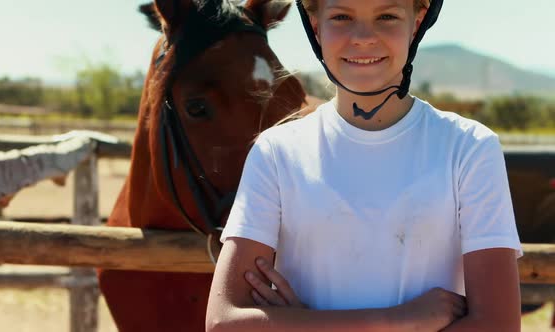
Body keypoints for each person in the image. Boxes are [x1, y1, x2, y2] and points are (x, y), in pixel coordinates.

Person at [206, 0, 523, 331]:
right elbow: (223, 321)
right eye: (342, 16)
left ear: (416, 22)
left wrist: (303, 323)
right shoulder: (275, 154)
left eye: (386, 16)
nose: (363, 37)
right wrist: (399, 320)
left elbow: (498, 325)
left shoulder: (469, 148)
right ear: (316, 26)